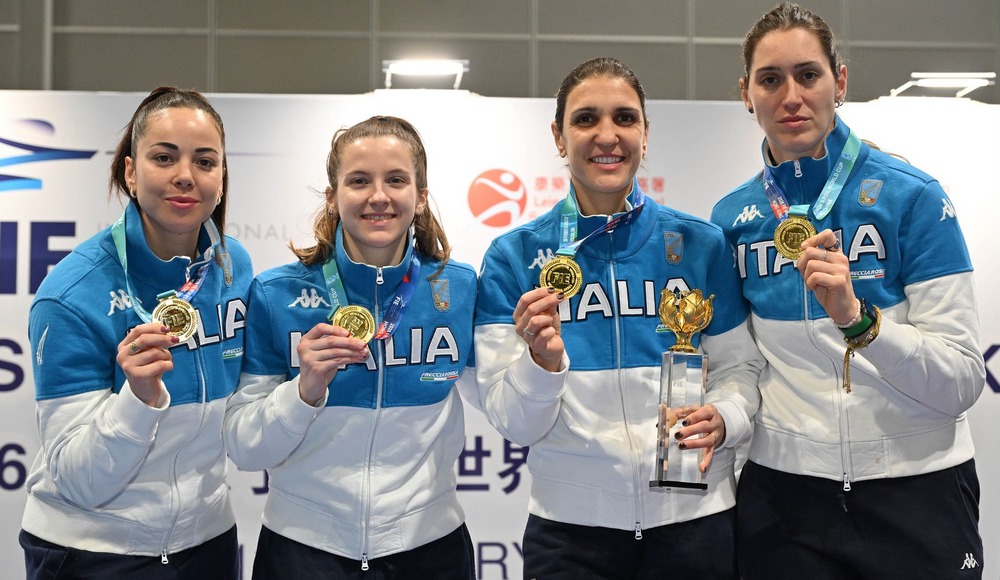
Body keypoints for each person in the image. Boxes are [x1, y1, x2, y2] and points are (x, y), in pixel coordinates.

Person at [710, 3, 987, 578]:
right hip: (783, 499)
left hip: (917, 490)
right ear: (746, 94)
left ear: (839, 82)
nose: (791, 96)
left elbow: (962, 378)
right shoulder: (732, 220)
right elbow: (741, 367)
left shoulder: (913, 198)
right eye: (771, 79)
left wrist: (862, 323)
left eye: (808, 75)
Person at [472, 57, 764, 579]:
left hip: (695, 521)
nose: (607, 135)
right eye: (586, 119)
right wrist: (541, 364)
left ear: (645, 134)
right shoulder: (513, 258)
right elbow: (514, 423)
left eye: (624, 118)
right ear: (558, 137)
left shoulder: (701, 245)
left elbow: (740, 367)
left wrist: (726, 416)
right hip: (570, 534)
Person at [224, 115, 477, 579]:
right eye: (359, 180)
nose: (378, 196)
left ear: (421, 197)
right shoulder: (276, 294)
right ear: (333, 197)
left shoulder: (458, 288)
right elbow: (245, 449)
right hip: (303, 550)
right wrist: (303, 392)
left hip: (430, 548)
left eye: (396, 180)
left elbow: (513, 414)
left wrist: (541, 363)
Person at [20, 87, 252, 579]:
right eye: (164, 157)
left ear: (221, 176)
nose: (185, 175)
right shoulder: (71, 294)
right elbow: (79, 481)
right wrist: (138, 399)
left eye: (205, 161)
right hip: (92, 550)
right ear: (130, 171)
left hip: (206, 542)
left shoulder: (234, 265)